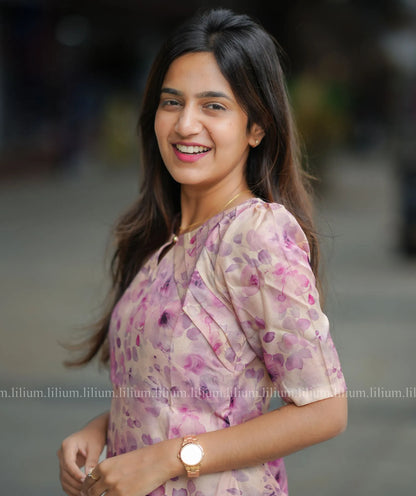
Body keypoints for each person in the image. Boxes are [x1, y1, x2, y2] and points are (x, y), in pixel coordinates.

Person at [57, 8, 347, 496]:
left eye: (214, 106)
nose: (185, 124)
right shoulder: (164, 240)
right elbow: (185, 394)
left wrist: (170, 459)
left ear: (256, 128)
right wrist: (103, 429)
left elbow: (325, 409)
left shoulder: (257, 233)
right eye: (172, 102)